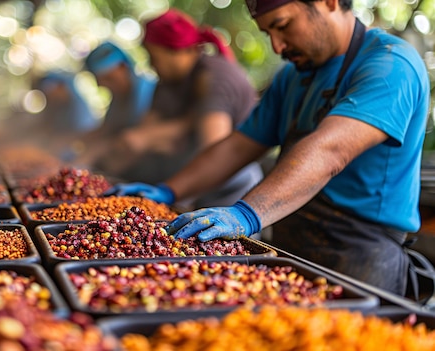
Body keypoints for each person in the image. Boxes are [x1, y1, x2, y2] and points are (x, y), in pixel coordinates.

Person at [108, 0, 430, 296]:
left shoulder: (390, 64)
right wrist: (167, 191)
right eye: (268, 33)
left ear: (329, 2)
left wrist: (246, 214)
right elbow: (237, 147)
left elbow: (330, 151)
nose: (277, 46)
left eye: (283, 25)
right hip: (293, 248)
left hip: (362, 260)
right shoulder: (292, 77)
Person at [101, 8, 264, 209]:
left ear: (176, 50)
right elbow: (143, 133)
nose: (151, 65)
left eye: (153, 56)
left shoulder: (214, 78)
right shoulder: (167, 82)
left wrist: (161, 138)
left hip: (228, 190)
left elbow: (214, 150)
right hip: (185, 182)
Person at [73, 41, 157, 168]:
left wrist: (92, 153)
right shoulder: (117, 100)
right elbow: (106, 129)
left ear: (123, 67)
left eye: (108, 78)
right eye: (99, 80)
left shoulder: (150, 91)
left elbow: (135, 138)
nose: (103, 85)